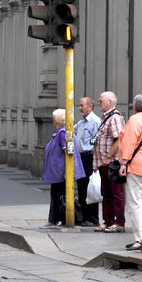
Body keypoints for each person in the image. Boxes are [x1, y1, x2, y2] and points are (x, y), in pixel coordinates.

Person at [116, 94, 142, 251]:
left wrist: (123, 163)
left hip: (137, 165)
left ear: (134, 107)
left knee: (135, 203)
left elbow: (129, 142)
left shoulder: (134, 121)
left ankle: (140, 239)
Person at [42, 108, 84, 228]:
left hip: (60, 173)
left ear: (56, 120)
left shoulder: (62, 133)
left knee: (57, 195)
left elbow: (67, 152)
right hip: (59, 171)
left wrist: (67, 171)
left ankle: (54, 219)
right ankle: (59, 218)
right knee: (59, 194)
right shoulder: (63, 132)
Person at [93, 91, 126, 232]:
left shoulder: (115, 118)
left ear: (110, 102)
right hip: (103, 163)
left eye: (101, 101)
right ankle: (108, 221)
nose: (98, 103)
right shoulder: (106, 118)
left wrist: (108, 157)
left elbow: (119, 140)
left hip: (111, 163)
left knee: (115, 193)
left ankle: (118, 222)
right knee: (106, 193)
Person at [74, 96, 102, 226]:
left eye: (82, 105)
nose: (80, 108)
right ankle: (84, 217)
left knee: (90, 188)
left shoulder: (95, 121)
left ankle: (92, 218)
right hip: (81, 157)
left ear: (90, 106)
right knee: (81, 187)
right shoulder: (81, 123)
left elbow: (97, 141)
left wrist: (96, 161)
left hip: (89, 157)